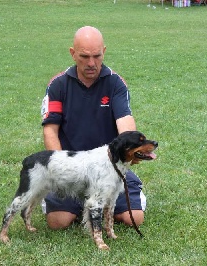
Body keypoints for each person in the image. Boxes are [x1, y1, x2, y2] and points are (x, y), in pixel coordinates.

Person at [40, 26, 146, 230]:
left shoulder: (116, 83)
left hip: (108, 166)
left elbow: (125, 126)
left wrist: (128, 153)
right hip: (73, 167)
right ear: (73, 53)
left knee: (134, 218)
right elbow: (50, 130)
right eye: (84, 56)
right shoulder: (58, 85)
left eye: (97, 56)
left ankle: (105, 198)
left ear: (104, 51)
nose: (91, 63)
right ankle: (87, 204)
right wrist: (65, 170)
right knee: (58, 222)